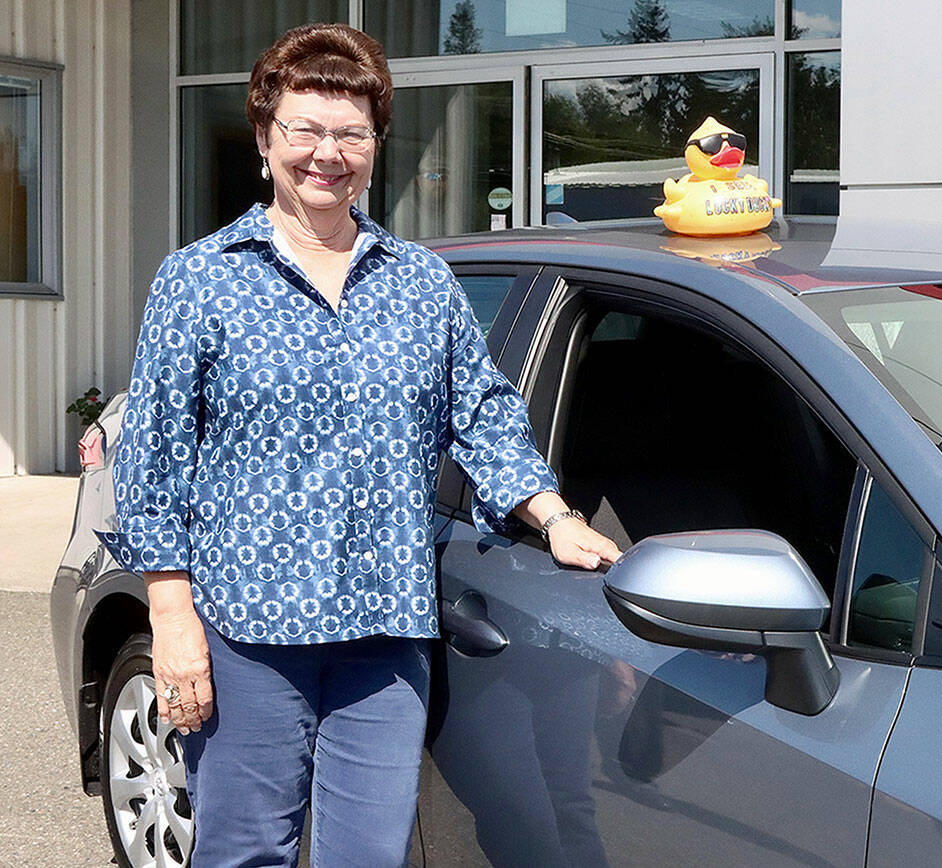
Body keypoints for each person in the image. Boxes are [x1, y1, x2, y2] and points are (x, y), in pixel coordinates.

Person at [95, 22, 621, 867]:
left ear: (376, 144)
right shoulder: (200, 279)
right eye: (305, 130)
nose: (327, 154)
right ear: (264, 137)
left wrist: (553, 515)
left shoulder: (420, 281)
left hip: (385, 630)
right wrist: (172, 618)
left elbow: (483, 411)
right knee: (244, 852)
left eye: (352, 134)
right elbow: (154, 462)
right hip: (247, 630)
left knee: (370, 855)